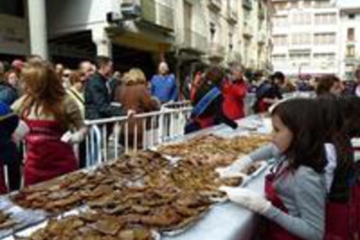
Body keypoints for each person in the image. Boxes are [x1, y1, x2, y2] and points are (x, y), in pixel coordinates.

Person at [220, 98, 329, 240]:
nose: (271, 136)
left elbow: (315, 233)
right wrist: (246, 160)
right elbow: (271, 150)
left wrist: (266, 209)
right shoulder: (290, 153)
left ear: (300, 133)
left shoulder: (305, 176)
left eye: (277, 130)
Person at [12, 60, 87, 186]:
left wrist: (76, 137)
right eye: (23, 81)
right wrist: (14, 134)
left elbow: (82, 128)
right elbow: (7, 118)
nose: (24, 86)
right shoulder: (24, 101)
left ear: (43, 83)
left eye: (29, 82)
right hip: (33, 168)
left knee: (65, 202)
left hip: (62, 166)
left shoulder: (65, 101)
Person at [114, 68, 160, 149]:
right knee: (139, 155)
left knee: (127, 152)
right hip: (139, 125)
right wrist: (156, 103)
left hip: (125, 124)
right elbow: (148, 105)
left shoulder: (121, 89)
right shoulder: (141, 88)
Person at [185, 67, 237, 134]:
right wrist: (234, 125)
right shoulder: (217, 94)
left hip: (193, 124)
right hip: (205, 127)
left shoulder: (200, 87)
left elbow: (193, 102)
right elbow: (220, 115)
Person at [85, 56, 125, 120]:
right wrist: (123, 112)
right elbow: (102, 107)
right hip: (96, 121)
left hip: (99, 120)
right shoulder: (96, 82)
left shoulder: (101, 81)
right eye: (110, 67)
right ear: (103, 67)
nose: (111, 69)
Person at [0, 102, 20, 193]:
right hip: (6, 140)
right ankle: (15, 191)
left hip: (5, 141)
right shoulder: (2, 105)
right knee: (13, 166)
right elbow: (14, 120)